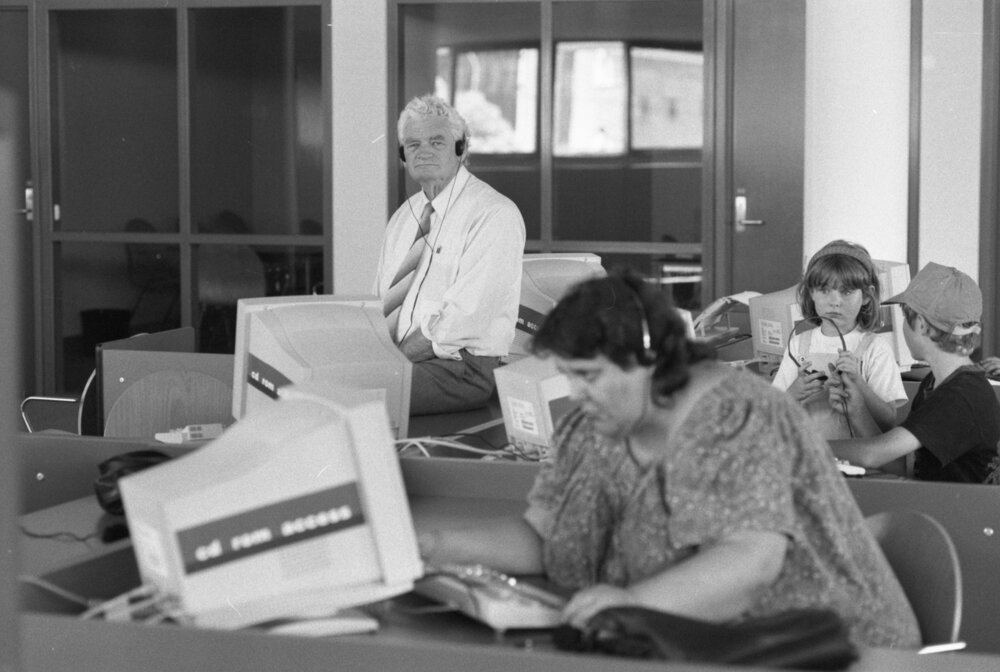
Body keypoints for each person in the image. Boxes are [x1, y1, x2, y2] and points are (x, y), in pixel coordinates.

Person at [416, 270, 920, 648]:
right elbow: (545, 534)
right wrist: (433, 546)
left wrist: (634, 605)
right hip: (702, 644)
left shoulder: (736, 412)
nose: (576, 393)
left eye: (589, 375)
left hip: (832, 650)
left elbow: (749, 563)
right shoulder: (594, 425)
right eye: (570, 376)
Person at [374, 94, 525, 415]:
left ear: (461, 149)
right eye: (413, 144)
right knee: (319, 383)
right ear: (402, 155)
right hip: (403, 361)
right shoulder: (403, 217)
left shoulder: (493, 213)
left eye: (436, 141)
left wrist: (390, 364)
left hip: (461, 368)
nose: (423, 151)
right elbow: (380, 302)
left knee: (360, 395)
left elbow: (464, 317)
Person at [829, 262, 1000, 483]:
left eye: (904, 318)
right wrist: (858, 411)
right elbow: (904, 465)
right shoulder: (935, 383)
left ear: (920, 323)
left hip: (956, 516)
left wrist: (796, 444)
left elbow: (872, 455)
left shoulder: (962, 394)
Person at [771, 240, 906, 439]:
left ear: (867, 296)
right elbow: (771, 411)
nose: (835, 302)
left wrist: (858, 383)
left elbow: (888, 422)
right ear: (811, 293)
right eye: (825, 290)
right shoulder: (798, 344)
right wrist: (793, 392)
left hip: (858, 463)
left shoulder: (875, 348)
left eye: (847, 292)